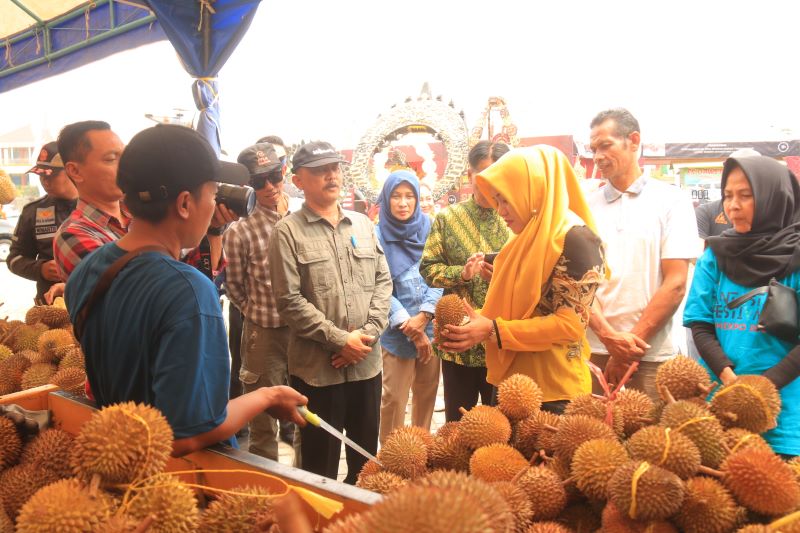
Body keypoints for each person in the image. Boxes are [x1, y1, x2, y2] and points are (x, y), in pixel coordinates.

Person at [64, 124, 307, 456]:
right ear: (183, 204)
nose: (215, 204)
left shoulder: (88, 271)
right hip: (178, 480)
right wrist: (267, 396)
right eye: (211, 193)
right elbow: (188, 434)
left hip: (114, 453)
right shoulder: (189, 291)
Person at [440, 146, 606, 413]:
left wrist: (493, 330)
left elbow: (570, 325)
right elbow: (519, 308)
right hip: (511, 385)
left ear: (534, 189)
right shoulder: (522, 237)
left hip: (553, 394)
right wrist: (476, 324)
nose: (501, 210)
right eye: (497, 200)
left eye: (507, 199)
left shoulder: (575, 240)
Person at [268, 141, 392, 484]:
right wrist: (339, 341)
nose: (331, 175)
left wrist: (366, 335)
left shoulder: (363, 225)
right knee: (317, 468)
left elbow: (383, 282)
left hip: (367, 365)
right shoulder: (287, 232)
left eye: (335, 167)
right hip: (318, 373)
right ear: (299, 180)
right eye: (321, 170)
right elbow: (289, 300)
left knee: (366, 461)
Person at [684, 155, 800, 457]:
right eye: (727, 196)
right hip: (719, 406)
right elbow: (700, 323)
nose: (732, 206)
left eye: (746, 196)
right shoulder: (716, 254)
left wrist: (759, 389)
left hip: (784, 415)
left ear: (774, 197)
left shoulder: (797, 257)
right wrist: (728, 378)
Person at [585, 108, 702, 400]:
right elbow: (577, 284)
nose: (597, 156)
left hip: (652, 353)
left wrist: (628, 349)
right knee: (594, 441)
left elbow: (676, 283)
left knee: (650, 440)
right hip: (594, 349)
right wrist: (610, 339)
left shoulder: (672, 201)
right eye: (593, 149)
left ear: (633, 140)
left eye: (605, 145)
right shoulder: (585, 206)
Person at [50, 121, 234, 302]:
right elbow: (149, 295)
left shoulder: (141, 215)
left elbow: (199, 276)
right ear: (75, 171)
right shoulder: (72, 236)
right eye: (111, 159)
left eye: (125, 156)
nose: (124, 166)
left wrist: (213, 229)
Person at [420, 140, 511, 422]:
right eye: (483, 174)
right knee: (458, 428)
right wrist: (461, 274)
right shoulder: (448, 219)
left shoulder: (514, 219)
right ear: (470, 175)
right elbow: (428, 268)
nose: (491, 183)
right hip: (459, 344)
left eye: (499, 173)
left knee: (502, 428)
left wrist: (503, 278)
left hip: (504, 340)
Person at [222, 142, 293, 461]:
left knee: (307, 414)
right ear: (245, 185)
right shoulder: (240, 231)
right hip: (263, 333)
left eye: (274, 176)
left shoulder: (303, 215)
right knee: (263, 426)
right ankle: (269, 495)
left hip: (307, 332)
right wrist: (255, 313)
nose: (268, 187)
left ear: (284, 172)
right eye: (257, 180)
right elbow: (234, 287)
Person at [376, 170, 442, 443]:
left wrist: (425, 316)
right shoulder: (377, 233)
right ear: (386, 199)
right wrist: (410, 326)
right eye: (396, 196)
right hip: (397, 334)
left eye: (409, 196)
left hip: (432, 327)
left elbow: (439, 274)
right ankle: (391, 458)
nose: (403, 203)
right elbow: (377, 283)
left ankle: (421, 451)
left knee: (427, 394)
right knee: (393, 399)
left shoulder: (430, 227)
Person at [8, 142, 77, 304]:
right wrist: (41, 269)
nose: (44, 181)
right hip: (50, 308)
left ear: (71, 171)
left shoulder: (98, 206)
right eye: (41, 175)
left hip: (93, 305)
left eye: (50, 175)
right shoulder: (32, 212)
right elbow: (14, 259)